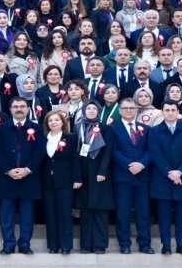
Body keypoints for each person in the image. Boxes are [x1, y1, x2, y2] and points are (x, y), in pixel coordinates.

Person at [0, 97, 44, 255]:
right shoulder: (1, 128)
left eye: (22, 106)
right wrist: (8, 170)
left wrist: (27, 169)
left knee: (27, 214)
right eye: (16, 107)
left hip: (29, 178)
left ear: (28, 109)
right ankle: (8, 244)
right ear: (10, 109)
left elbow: (39, 151)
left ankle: (25, 244)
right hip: (7, 178)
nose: (19, 109)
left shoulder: (37, 128)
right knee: (6, 213)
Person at [148, 100, 182, 254]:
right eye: (167, 110)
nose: (170, 113)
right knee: (164, 215)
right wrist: (170, 172)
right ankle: (166, 245)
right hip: (163, 179)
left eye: (173, 110)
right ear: (162, 112)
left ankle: (181, 244)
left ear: (178, 112)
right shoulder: (154, 131)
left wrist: (180, 172)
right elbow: (155, 154)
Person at [108, 98, 154, 254]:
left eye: (132, 108)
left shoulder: (146, 128)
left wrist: (141, 164)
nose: (129, 111)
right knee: (123, 212)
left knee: (143, 212)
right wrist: (129, 165)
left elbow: (150, 150)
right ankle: (124, 244)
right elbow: (113, 151)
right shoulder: (113, 129)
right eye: (126, 108)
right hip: (122, 176)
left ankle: (145, 244)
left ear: (137, 110)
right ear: (120, 111)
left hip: (142, 176)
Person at [74, 100, 114, 253]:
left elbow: (109, 151)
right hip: (83, 172)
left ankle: (99, 244)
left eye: (94, 108)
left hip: (100, 173)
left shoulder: (105, 128)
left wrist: (103, 171)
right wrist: (77, 175)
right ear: (84, 111)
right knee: (86, 210)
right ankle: (85, 244)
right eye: (88, 108)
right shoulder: (78, 127)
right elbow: (75, 152)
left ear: (98, 111)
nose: (91, 111)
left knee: (100, 209)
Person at [40, 110, 81, 255]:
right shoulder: (43, 138)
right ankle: (53, 245)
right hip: (47, 182)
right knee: (50, 214)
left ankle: (66, 245)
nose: (53, 123)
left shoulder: (70, 138)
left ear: (62, 123)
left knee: (64, 214)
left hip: (65, 181)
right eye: (50, 120)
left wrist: (77, 179)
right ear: (47, 124)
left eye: (56, 120)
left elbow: (75, 160)